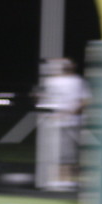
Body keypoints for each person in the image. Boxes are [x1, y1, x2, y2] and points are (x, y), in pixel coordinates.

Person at [36, 57, 91, 191]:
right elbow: (85, 100)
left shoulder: (58, 81)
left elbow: (83, 101)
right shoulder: (75, 81)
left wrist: (68, 112)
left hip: (62, 121)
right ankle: (61, 180)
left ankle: (62, 180)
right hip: (64, 120)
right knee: (66, 152)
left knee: (64, 152)